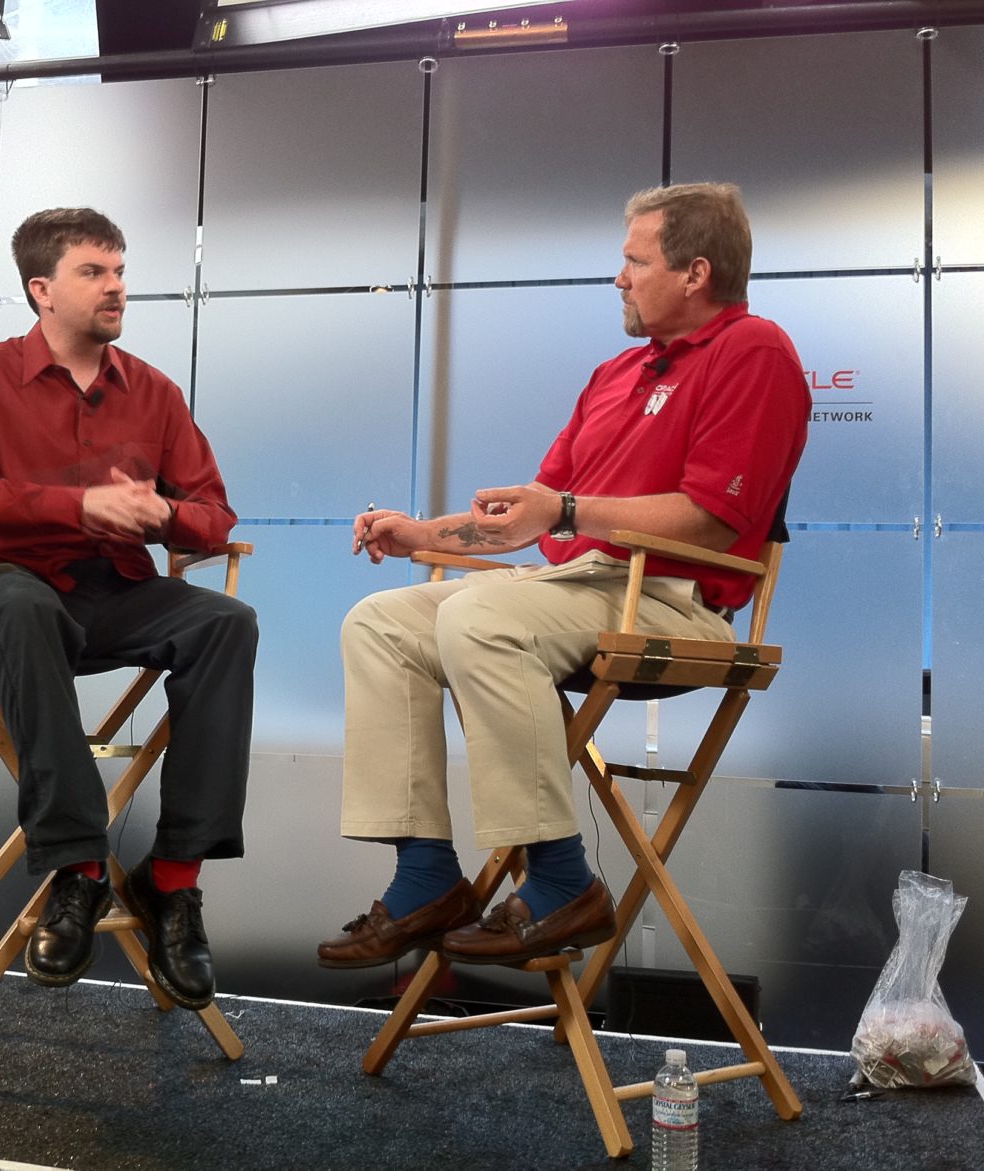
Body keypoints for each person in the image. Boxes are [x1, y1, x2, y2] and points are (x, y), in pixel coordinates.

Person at [317, 183, 808, 969]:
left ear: (695, 273)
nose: (619, 276)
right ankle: (427, 874)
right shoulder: (615, 374)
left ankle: (560, 882)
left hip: (673, 603)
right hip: (576, 590)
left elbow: (712, 518)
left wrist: (571, 512)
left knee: (479, 621)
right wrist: (421, 535)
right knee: (379, 621)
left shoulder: (755, 351)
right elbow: (536, 519)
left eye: (634, 260)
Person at [0, 208, 256, 1011]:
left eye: (119, 270)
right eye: (94, 273)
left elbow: (214, 513)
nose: (117, 287)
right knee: (24, 608)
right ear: (42, 291)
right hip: (15, 583)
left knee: (225, 622)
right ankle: (80, 868)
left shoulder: (153, 391)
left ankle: (172, 881)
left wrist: (165, 517)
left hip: (118, 591)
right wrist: (80, 507)